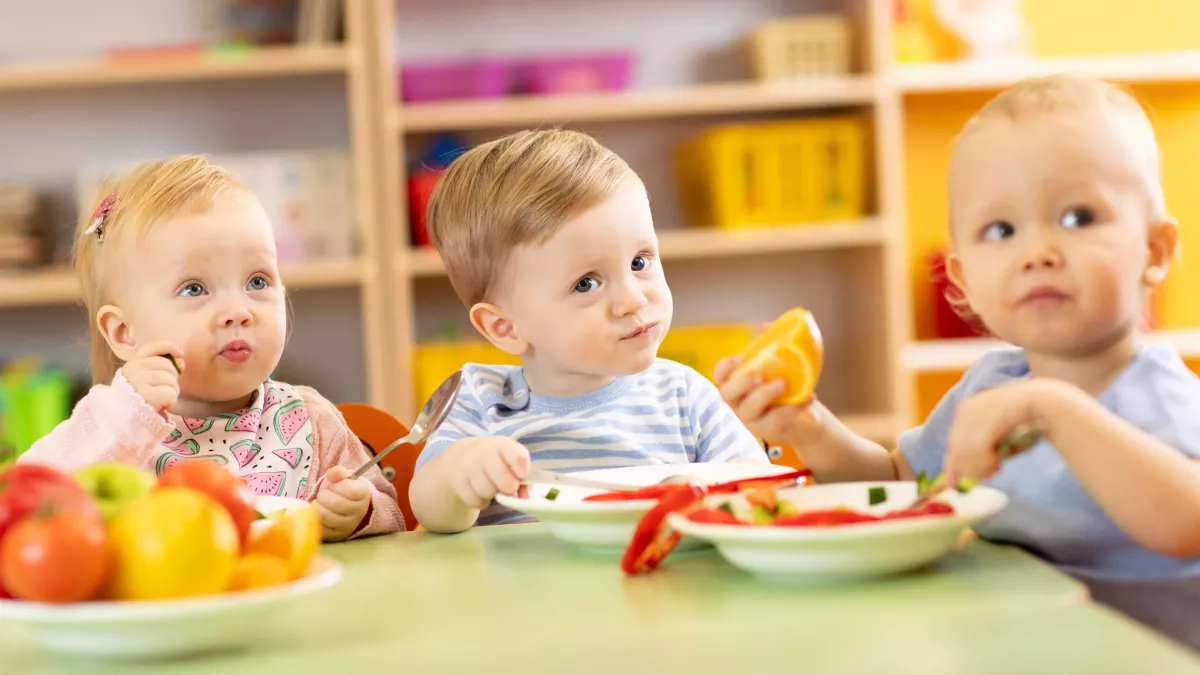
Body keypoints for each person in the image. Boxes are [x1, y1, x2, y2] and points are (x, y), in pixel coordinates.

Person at [716, 74, 1200, 650]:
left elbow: (1186, 523)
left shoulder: (1161, 393)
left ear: (1154, 251)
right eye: (1001, 230)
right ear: (964, 279)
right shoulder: (992, 386)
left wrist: (1053, 410)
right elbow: (896, 482)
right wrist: (811, 429)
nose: (1037, 253)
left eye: (1078, 218)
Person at [19, 155, 404, 542]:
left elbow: (392, 514)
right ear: (124, 333)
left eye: (257, 281)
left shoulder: (311, 421)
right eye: (194, 289)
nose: (238, 312)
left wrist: (359, 510)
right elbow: (28, 501)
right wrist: (122, 416)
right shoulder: (114, 426)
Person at [408, 129, 770, 533]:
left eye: (639, 262)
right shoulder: (480, 399)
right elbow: (430, 509)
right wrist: (461, 473)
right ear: (505, 327)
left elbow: (756, 481)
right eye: (586, 283)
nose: (633, 299)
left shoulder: (684, 395)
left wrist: (709, 485)